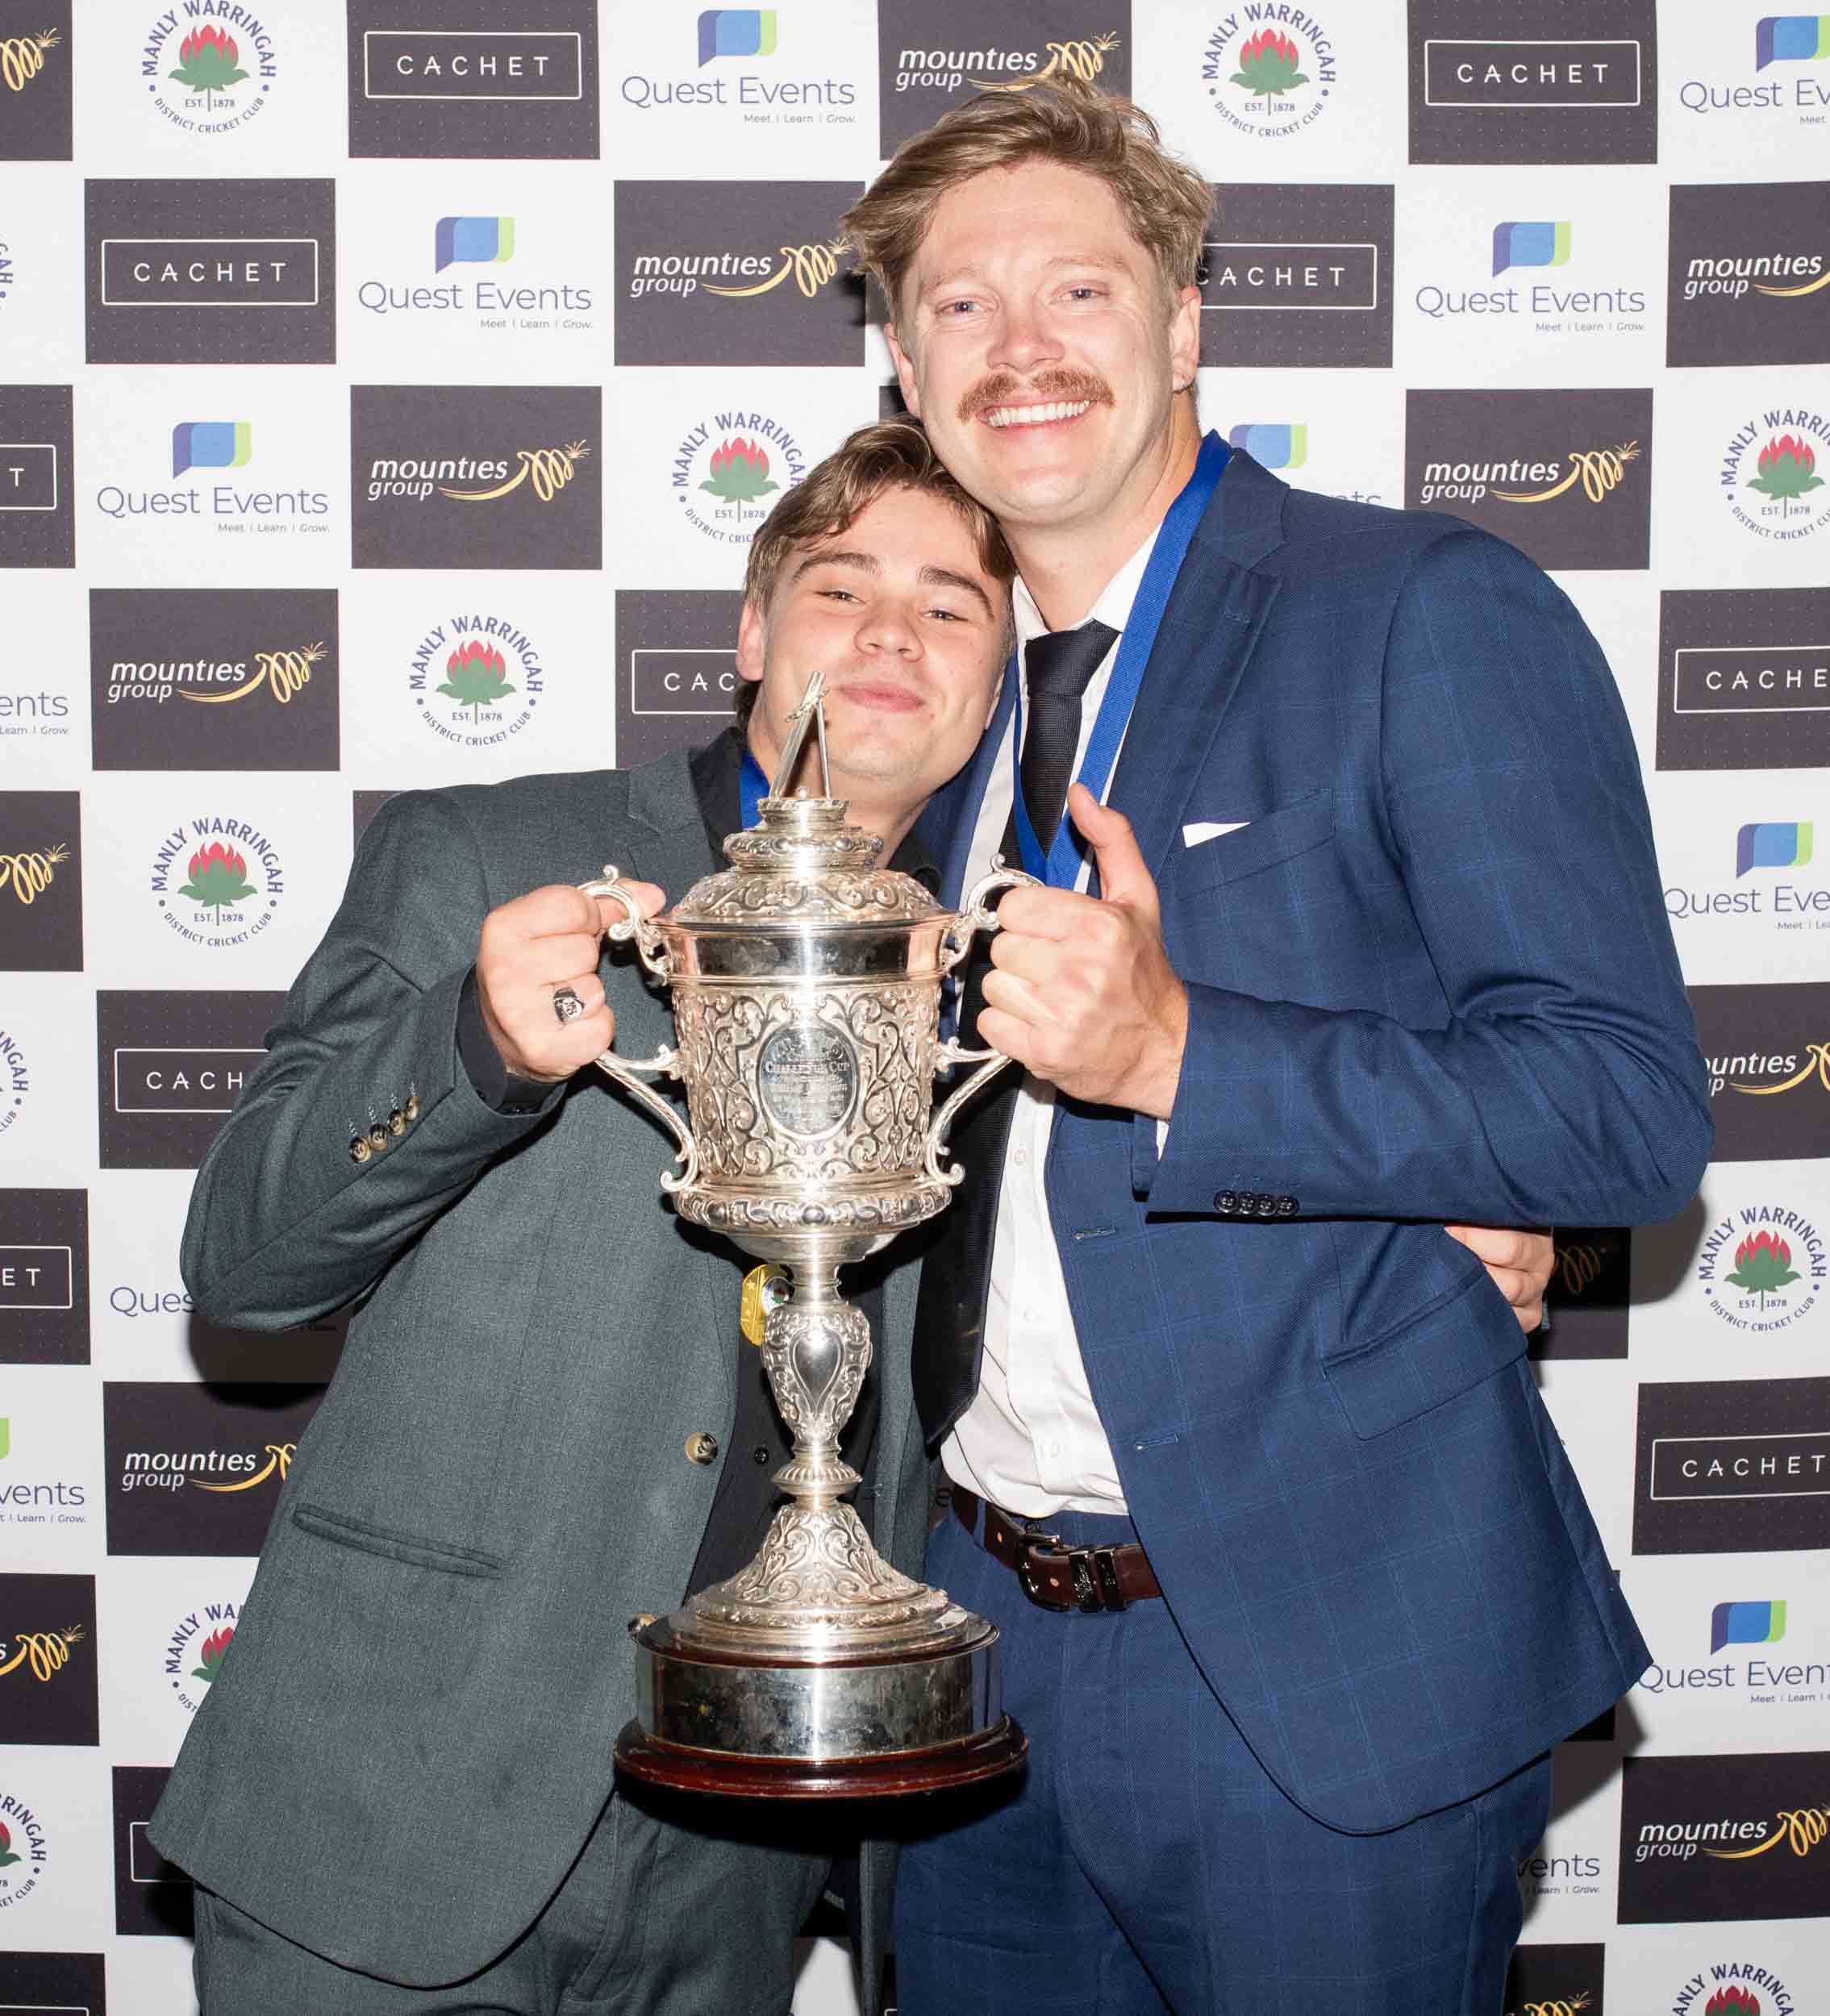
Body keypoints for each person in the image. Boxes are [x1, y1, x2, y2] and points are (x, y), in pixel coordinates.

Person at [837, 84, 1712, 2014]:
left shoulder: (1418, 607)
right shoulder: (940, 709)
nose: (1020, 347)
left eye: (1078, 289)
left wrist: (1184, 1054)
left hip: (1325, 1656)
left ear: (1182, 324)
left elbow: (1623, 1105)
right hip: (970, 1629)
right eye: (960, 306)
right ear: (905, 365)